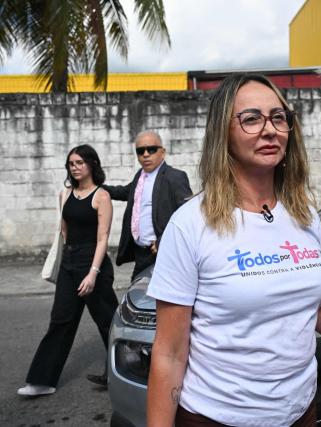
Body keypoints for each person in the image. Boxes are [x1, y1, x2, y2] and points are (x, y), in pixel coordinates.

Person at [145, 73, 321, 427]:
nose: (270, 129)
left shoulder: (303, 214)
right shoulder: (191, 224)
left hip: (300, 413)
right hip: (217, 419)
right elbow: (169, 353)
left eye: (279, 117)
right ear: (223, 132)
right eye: (251, 118)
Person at [17, 145, 118, 397]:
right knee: (60, 320)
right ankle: (42, 381)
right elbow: (63, 231)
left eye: (80, 162)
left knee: (108, 323)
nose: (75, 167)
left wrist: (93, 272)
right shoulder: (64, 194)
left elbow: (103, 238)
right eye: (71, 163)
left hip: (93, 263)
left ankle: (126, 372)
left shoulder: (101, 196)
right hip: (70, 263)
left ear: (92, 165)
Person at [103, 130, 192, 281]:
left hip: (163, 253)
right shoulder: (141, 176)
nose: (145, 154)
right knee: (138, 296)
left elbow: (187, 214)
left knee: (161, 301)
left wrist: (163, 241)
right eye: (140, 151)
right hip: (141, 254)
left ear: (162, 152)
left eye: (151, 149)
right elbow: (126, 192)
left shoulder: (175, 177)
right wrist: (96, 187)